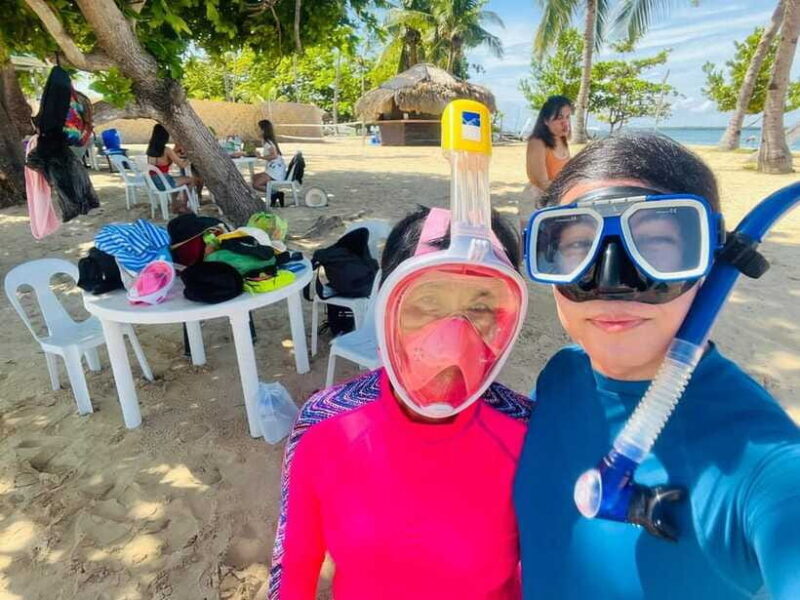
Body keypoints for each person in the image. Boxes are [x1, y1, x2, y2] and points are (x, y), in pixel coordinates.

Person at [514, 133, 800, 599]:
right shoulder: (561, 375)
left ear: (710, 259)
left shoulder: (766, 465)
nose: (611, 282)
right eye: (577, 245)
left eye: (656, 243)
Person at [268, 202, 532, 599]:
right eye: (426, 303)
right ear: (388, 306)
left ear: (505, 319)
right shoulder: (323, 425)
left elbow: (550, 571)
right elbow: (294, 565)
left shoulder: (528, 437)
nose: (452, 341)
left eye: (480, 308)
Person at [525, 95, 572, 197]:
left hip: (559, 195)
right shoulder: (537, 142)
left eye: (567, 117)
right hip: (540, 201)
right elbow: (542, 183)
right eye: (559, 117)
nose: (565, 122)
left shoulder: (561, 139)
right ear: (546, 120)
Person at [145, 124, 199, 214]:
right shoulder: (166, 150)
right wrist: (191, 157)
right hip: (164, 182)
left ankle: (175, 206)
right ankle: (183, 205)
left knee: (176, 182)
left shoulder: (150, 149)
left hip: (153, 182)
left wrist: (174, 154)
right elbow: (182, 165)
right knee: (192, 180)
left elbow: (163, 162)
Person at [252, 119, 286, 192]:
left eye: (258, 129)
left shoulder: (268, 143)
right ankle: (270, 192)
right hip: (273, 170)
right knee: (254, 177)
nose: (256, 130)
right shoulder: (267, 141)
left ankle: (275, 193)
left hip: (275, 172)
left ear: (263, 130)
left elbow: (274, 156)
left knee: (256, 185)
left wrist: (261, 157)